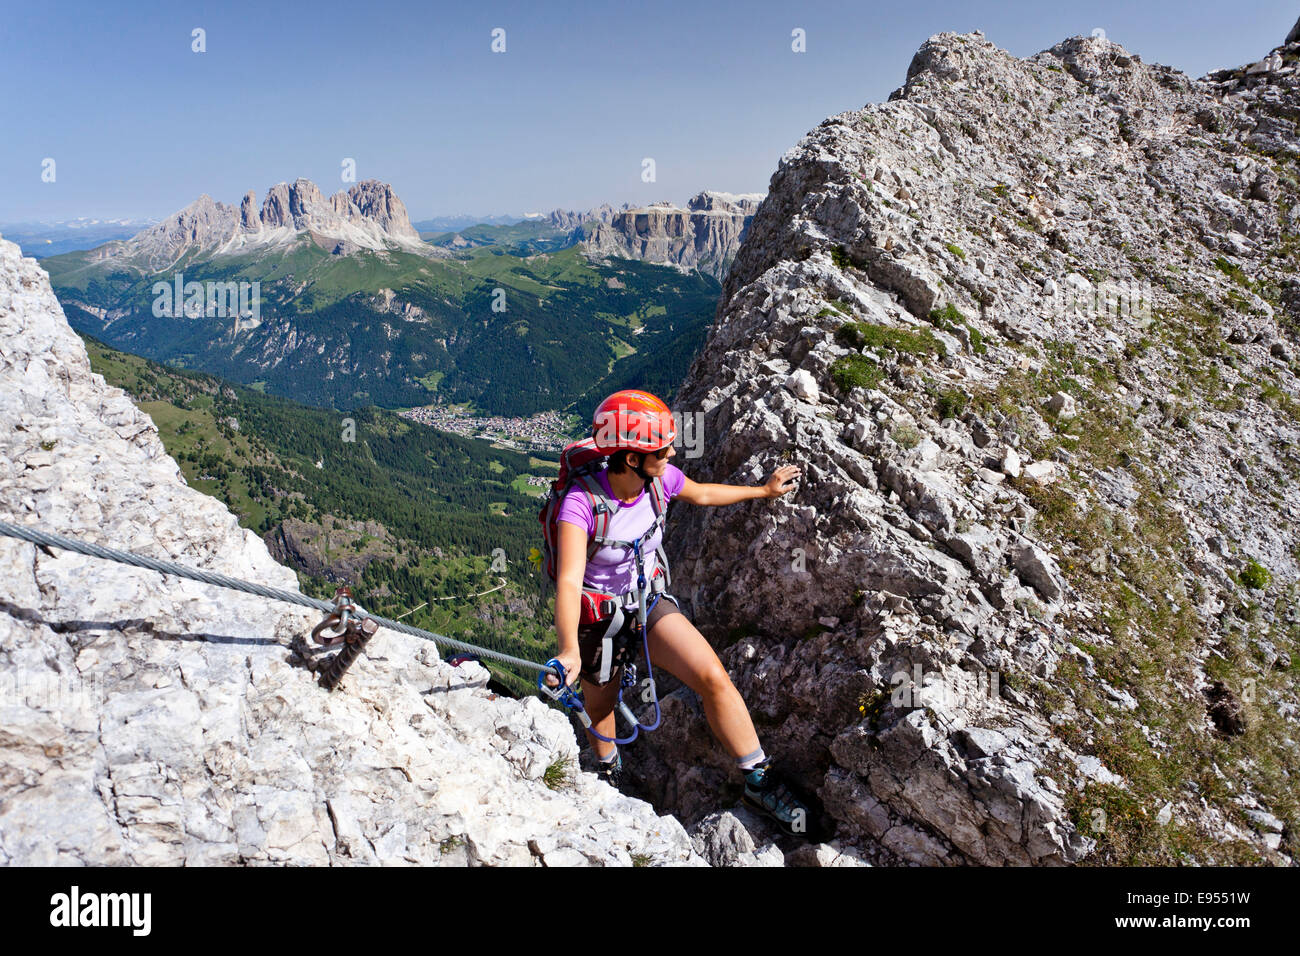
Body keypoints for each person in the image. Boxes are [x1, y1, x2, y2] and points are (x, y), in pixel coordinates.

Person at [546, 389, 811, 836]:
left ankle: (757, 779)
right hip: (598, 621)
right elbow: (570, 580)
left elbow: (703, 494)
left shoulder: (659, 481)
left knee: (711, 675)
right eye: (661, 449)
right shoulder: (580, 504)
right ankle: (609, 769)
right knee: (602, 705)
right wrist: (570, 650)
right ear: (630, 458)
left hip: (647, 604)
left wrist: (762, 491)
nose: (671, 453)